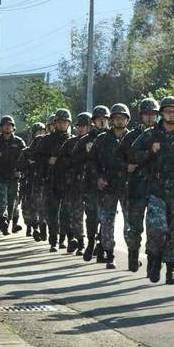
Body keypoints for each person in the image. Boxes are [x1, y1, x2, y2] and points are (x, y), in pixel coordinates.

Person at [132, 96, 174, 284]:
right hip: (156, 191)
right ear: (162, 113)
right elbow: (132, 154)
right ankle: (154, 260)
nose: (170, 114)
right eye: (167, 111)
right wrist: (150, 152)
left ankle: (170, 271)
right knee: (157, 230)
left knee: (173, 232)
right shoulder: (150, 135)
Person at [116, 98, 160, 273]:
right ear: (141, 116)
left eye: (153, 115)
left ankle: (152, 261)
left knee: (155, 227)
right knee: (134, 227)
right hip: (135, 187)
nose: (150, 118)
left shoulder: (162, 134)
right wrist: (126, 167)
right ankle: (133, 256)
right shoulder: (132, 136)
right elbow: (119, 158)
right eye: (146, 114)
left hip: (157, 188)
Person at [89, 103, 131, 269]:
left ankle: (133, 253)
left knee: (131, 223)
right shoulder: (102, 139)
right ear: (111, 120)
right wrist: (98, 177)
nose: (119, 121)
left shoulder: (133, 137)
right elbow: (92, 161)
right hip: (108, 185)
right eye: (116, 118)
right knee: (107, 222)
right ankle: (109, 254)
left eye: (122, 118)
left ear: (127, 120)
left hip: (128, 186)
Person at [73, 106, 110, 262]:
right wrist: (86, 153)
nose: (102, 122)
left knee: (107, 218)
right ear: (93, 122)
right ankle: (90, 243)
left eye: (104, 119)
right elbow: (73, 159)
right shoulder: (85, 140)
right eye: (98, 120)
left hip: (110, 185)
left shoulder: (113, 137)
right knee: (92, 217)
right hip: (91, 184)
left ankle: (102, 247)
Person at [36, 109, 72, 251]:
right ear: (55, 123)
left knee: (67, 212)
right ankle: (53, 240)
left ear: (69, 123)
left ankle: (65, 239)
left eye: (65, 122)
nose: (62, 124)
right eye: (59, 122)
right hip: (51, 181)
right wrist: (48, 160)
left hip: (68, 181)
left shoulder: (73, 140)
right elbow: (37, 158)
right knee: (52, 212)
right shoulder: (46, 140)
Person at [0, 115, 26, 235]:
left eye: (10, 125)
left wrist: (20, 169)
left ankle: (13, 223)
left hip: (14, 176)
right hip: (0, 176)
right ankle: (2, 222)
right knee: (1, 200)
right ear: (1, 128)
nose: (7, 127)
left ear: (13, 127)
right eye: (5, 125)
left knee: (13, 200)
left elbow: (24, 157)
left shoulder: (19, 142)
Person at [58, 112, 92, 253]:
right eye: (79, 126)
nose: (81, 129)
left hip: (93, 184)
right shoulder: (71, 143)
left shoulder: (99, 141)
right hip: (75, 184)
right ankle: (79, 241)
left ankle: (96, 244)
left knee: (94, 217)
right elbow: (61, 161)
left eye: (84, 126)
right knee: (74, 214)